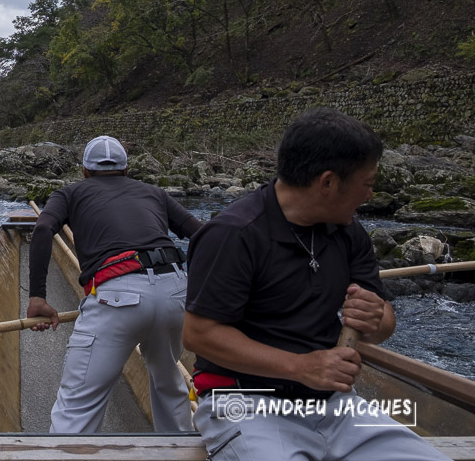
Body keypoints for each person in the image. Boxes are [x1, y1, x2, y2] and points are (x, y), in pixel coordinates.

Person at [183, 108, 448, 461]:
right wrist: (302, 367)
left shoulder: (348, 231)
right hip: (246, 400)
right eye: (367, 184)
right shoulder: (234, 235)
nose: (370, 195)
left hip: (334, 404)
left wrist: (377, 317)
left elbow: (382, 324)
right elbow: (199, 335)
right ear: (328, 182)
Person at [27, 135, 203, 434]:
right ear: (126, 169)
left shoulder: (71, 192)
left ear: (84, 171)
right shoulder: (154, 193)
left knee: (77, 405)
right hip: (176, 290)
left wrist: (37, 297)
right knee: (168, 384)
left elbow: (43, 228)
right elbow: (204, 235)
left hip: (117, 296)